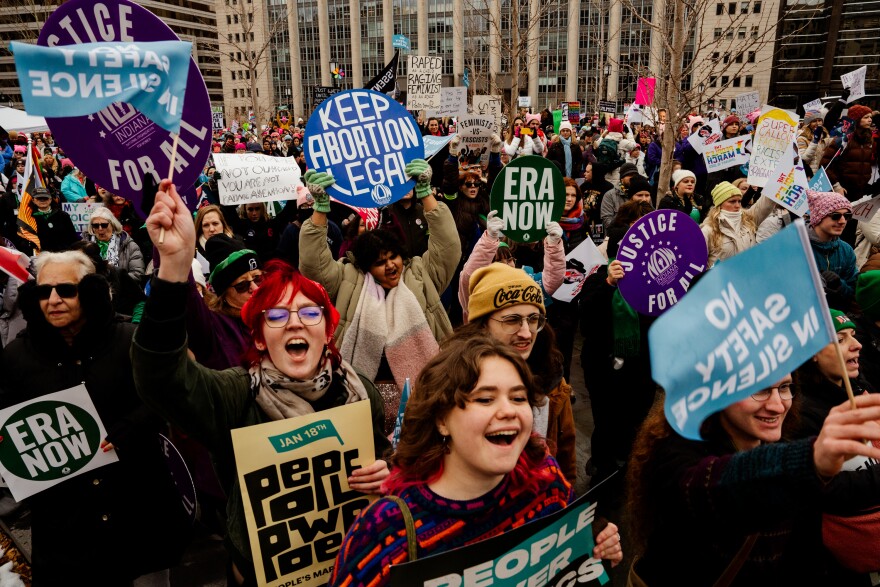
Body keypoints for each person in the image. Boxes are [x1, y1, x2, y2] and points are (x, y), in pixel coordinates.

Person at [134, 179, 391, 586]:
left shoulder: (361, 391)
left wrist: (386, 473)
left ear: (327, 330)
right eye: (276, 316)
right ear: (258, 336)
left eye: (309, 313)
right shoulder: (236, 394)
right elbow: (161, 379)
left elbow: (386, 458)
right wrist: (173, 269)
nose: (293, 322)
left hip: (353, 567)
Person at [329, 336, 622, 586]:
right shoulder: (386, 531)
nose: (508, 411)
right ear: (442, 419)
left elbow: (575, 559)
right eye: (485, 399)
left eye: (519, 398)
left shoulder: (547, 482)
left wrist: (596, 545)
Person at [1, 250, 190, 585]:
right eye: (45, 292)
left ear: (89, 291)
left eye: (66, 290)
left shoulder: (130, 341)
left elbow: (173, 392)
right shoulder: (16, 357)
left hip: (139, 513)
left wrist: (135, 427)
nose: (54, 300)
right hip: (68, 529)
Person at [626, 375, 880, 585]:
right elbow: (716, 490)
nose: (778, 405)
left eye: (784, 388)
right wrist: (810, 459)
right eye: (758, 389)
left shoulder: (780, 443)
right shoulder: (675, 452)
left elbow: (835, 498)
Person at [299, 160, 459, 429]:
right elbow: (313, 265)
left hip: (426, 397)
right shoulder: (347, 277)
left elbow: (449, 247)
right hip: (358, 400)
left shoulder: (420, 274)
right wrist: (319, 209)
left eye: (394, 257)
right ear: (365, 267)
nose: (390, 265)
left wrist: (425, 193)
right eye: (379, 262)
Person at [700, 180, 775, 266]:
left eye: (739, 201)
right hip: (720, 279)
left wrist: (778, 179)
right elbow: (699, 265)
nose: (737, 205)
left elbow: (766, 204)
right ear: (720, 204)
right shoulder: (708, 230)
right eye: (732, 201)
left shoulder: (748, 220)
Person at [806, 190, 857, 307]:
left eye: (847, 216)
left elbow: (853, 292)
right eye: (836, 216)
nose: (842, 221)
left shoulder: (846, 250)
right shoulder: (798, 247)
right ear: (819, 217)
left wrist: (839, 285)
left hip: (837, 317)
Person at [83, 206, 145, 285]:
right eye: (95, 225)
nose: (100, 228)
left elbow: (137, 274)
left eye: (104, 225)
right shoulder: (84, 246)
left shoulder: (129, 246)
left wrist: (112, 282)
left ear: (113, 225)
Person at [28, 186, 79, 254]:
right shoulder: (29, 217)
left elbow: (72, 237)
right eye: (39, 198)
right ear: (33, 200)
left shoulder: (63, 215)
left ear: (50, 199)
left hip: (63, 254)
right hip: (41, 255)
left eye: (45, 198)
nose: (42, 200)